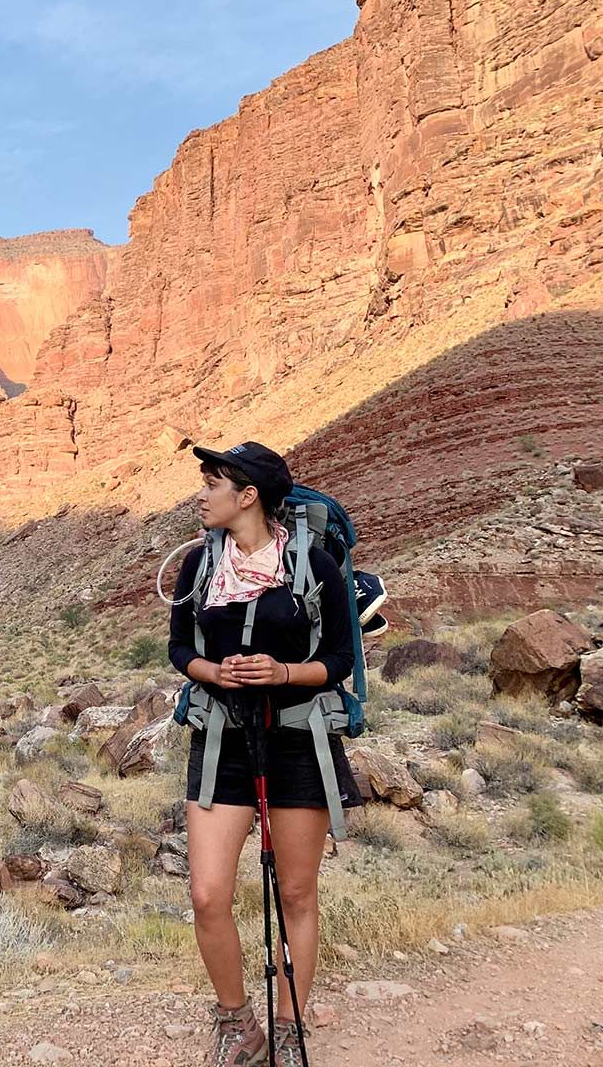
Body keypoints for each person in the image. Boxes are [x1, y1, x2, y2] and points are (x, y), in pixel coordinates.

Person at [165, 442, 363, 1067]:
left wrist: (281, 674)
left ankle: (288, 1026)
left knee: (296, 895)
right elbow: (177, 650)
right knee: (206, 893)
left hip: (301, 743)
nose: (201, 494)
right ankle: (237, 1024)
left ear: (247, 495)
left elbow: (338, 660)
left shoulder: (316, 566)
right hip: (222, 738)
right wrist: (212, 673)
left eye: (212, 483)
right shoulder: (199, 566)